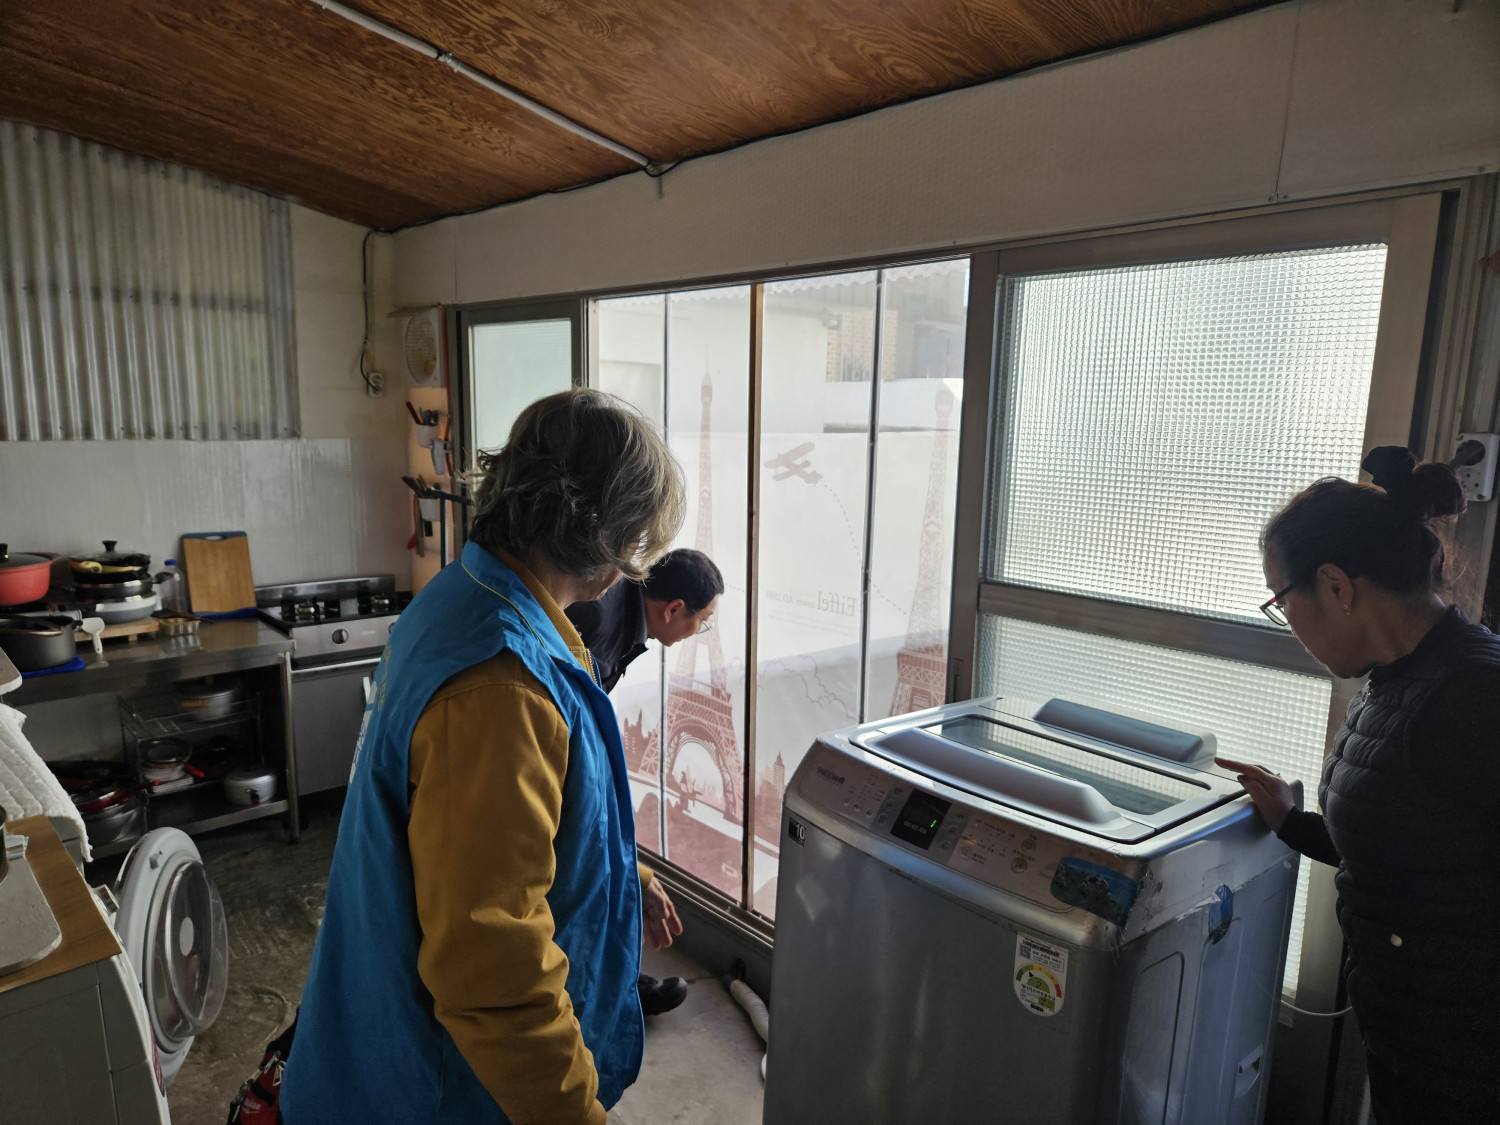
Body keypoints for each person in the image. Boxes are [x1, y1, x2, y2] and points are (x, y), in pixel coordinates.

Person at [281, 389, 686, 1125]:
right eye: (636, 541)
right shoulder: (502, 685)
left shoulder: (467, 597)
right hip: (446, 1087)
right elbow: (494, 967)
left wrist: (631, 873)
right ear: (603, 535)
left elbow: (525, 825)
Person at [1216, 446, 1500, 1124]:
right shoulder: (1397, 677)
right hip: (1411, 1036)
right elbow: (1415, 848)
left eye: (1282, 600)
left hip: (1467, 1061)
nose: (1287, 621)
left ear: (1337, 586)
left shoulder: (1474, 698)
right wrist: (1294, 823)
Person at [566, 548, 723, 1016]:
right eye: (703, 622)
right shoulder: (597, 619)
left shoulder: (619, 609)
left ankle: (609, 981)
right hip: (549, 762)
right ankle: (602, 991)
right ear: (673, 609)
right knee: (585, 871)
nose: (699, 633)